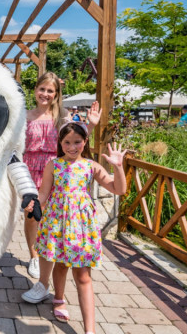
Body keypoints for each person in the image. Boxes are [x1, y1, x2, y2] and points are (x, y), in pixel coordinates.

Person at [21, 122, 127, 334]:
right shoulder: (54, 165)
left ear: (85, 142)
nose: (72, 147)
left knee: (83, 276)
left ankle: (90, 330)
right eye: (67, 142)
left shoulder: (91, 166)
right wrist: (33, 203)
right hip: (57, 222)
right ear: (60, 143)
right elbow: (43, 193)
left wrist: (117, 166)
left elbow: (119, 189)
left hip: (81, 227)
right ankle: (58, 299)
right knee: (60, 264)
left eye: (77, 142)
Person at [23, 72, 100, 279]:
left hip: (56, 169)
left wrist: (91, 125)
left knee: (49, 216)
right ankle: (34, 256)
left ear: (56, 94)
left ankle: (48, 254)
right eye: (42, 89)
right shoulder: (25, 116)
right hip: (29, 167)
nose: (45, 94)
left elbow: (76, 140)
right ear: (35, 90)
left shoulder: (62, 116)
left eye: (50, 91)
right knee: (32, 214)